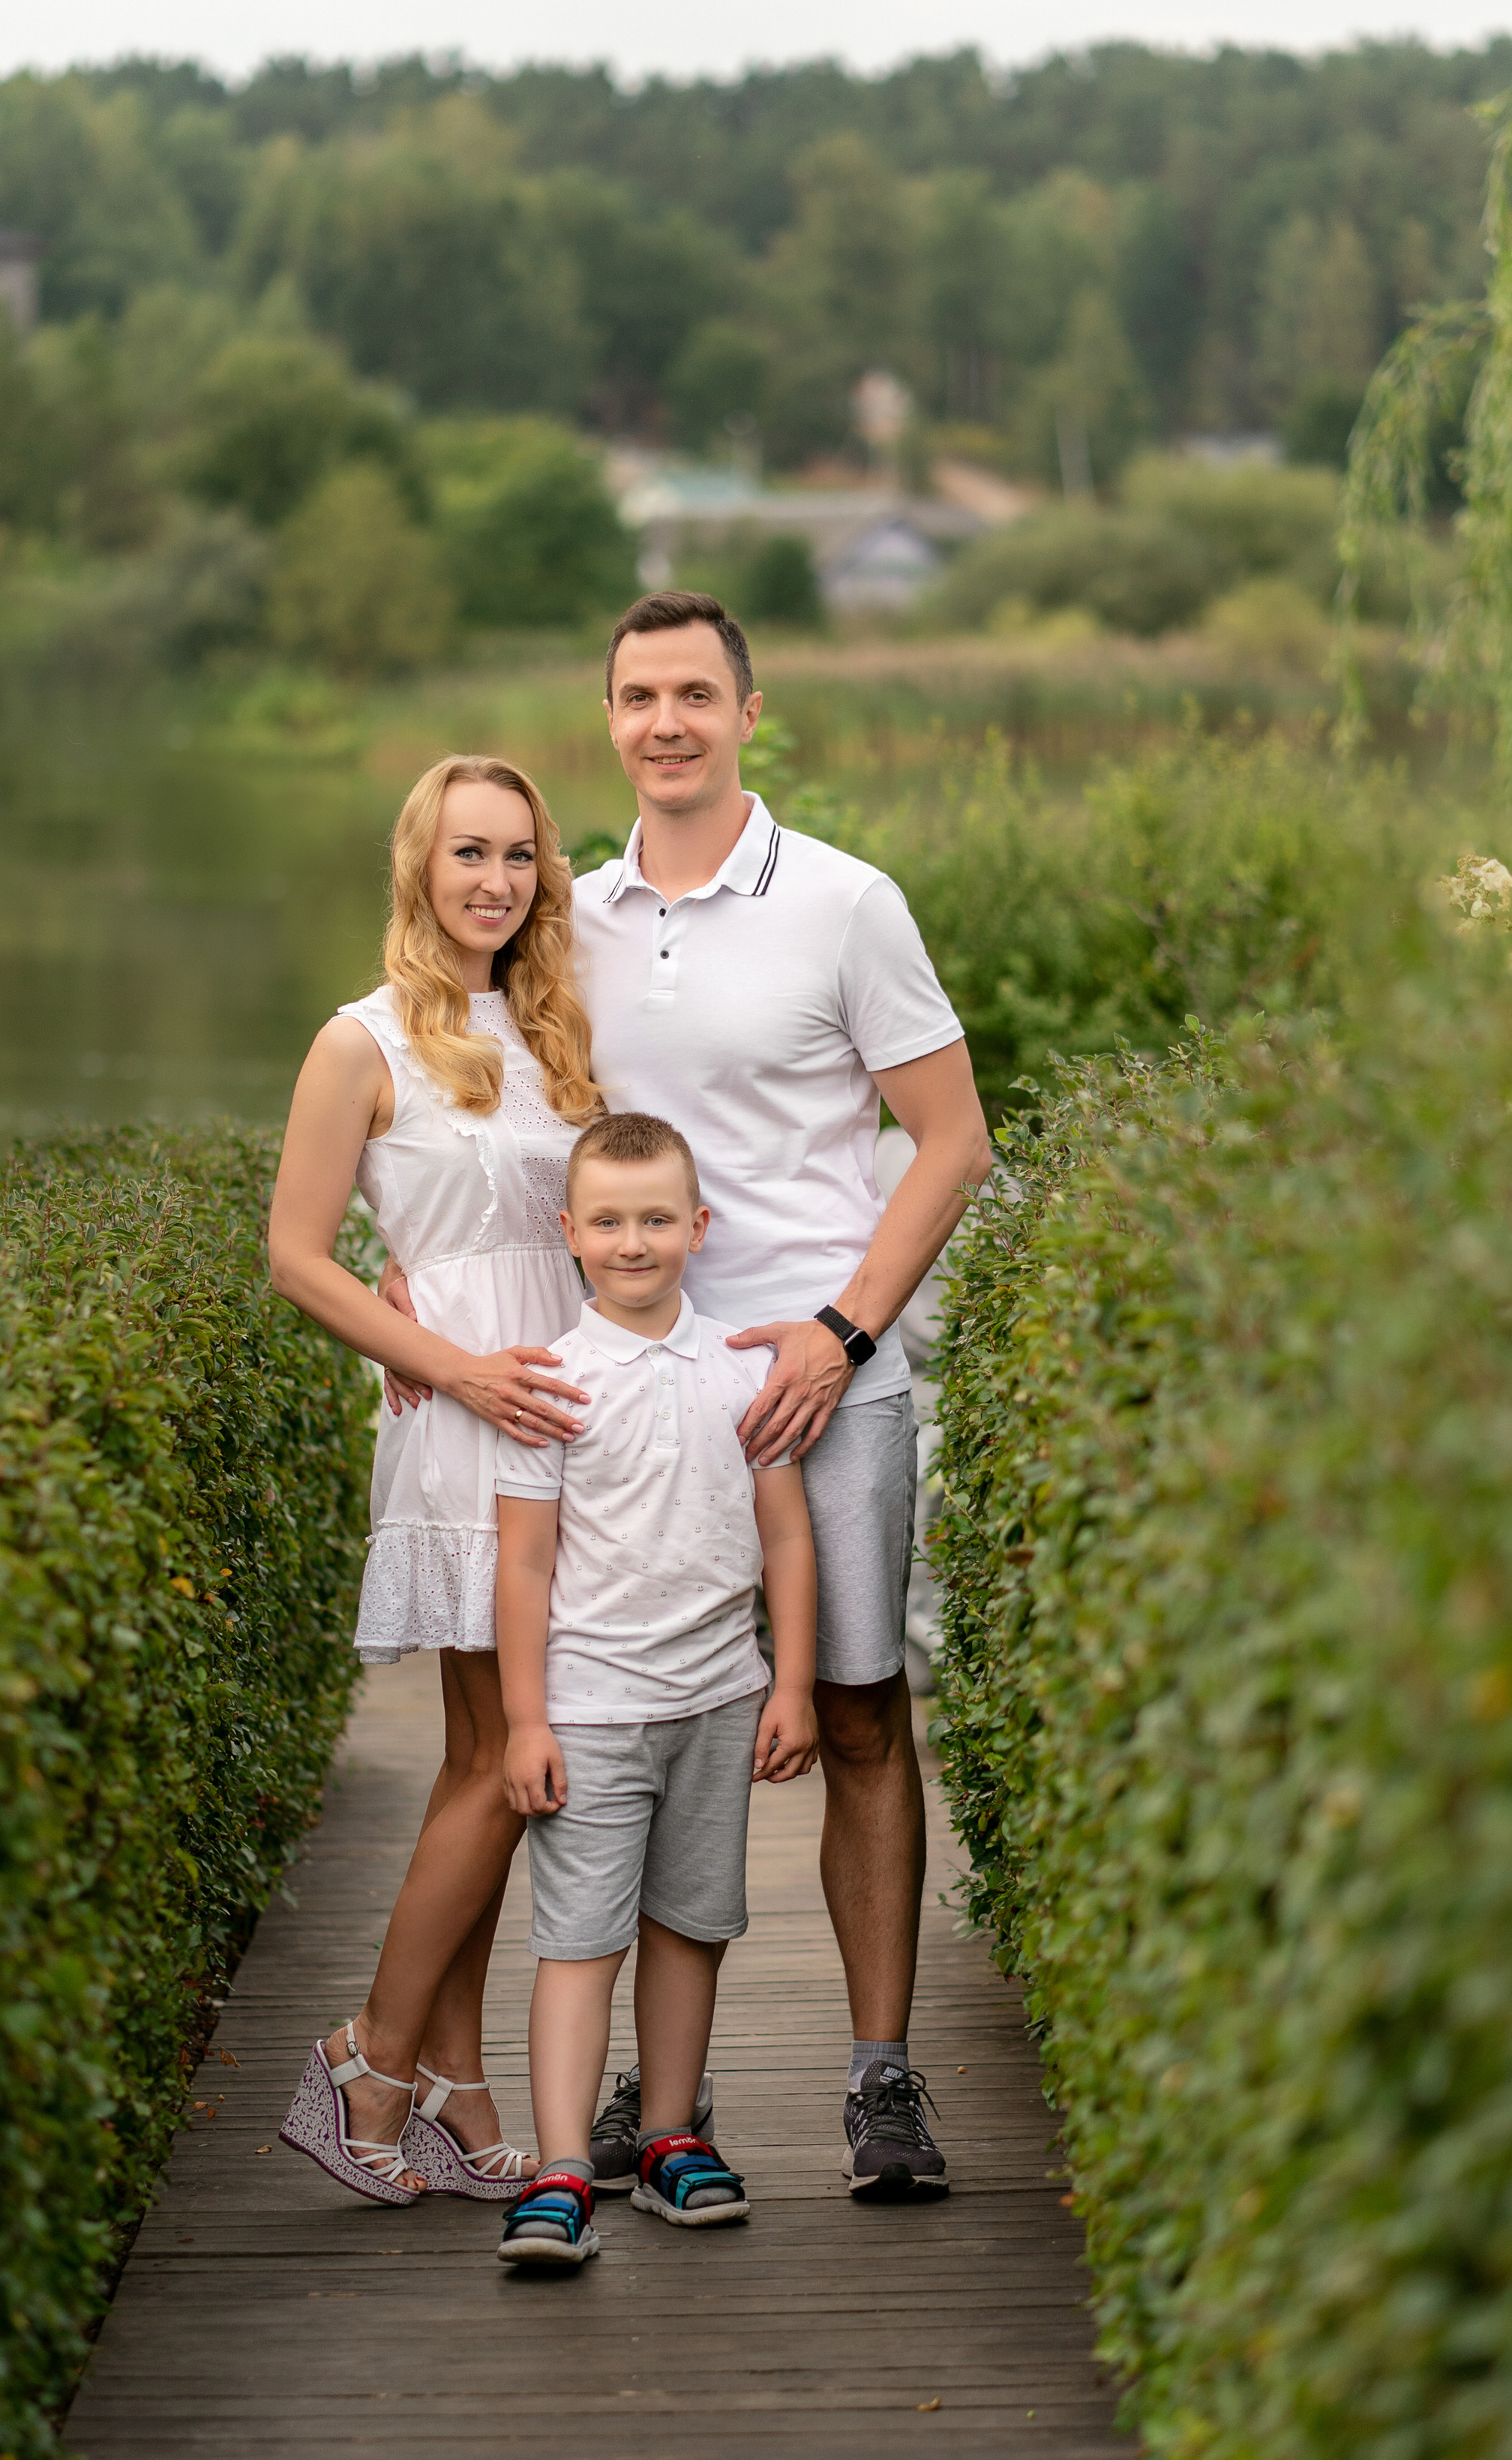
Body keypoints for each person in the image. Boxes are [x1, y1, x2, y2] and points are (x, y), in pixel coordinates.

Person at [578, 592, 992, 2203]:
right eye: (636, 696)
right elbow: (471, 1115)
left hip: (825, 1375)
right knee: (646, 1726)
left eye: (694, 693)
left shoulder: (845, 904)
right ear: (606, 719)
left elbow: (949, 1141)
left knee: (862, 1716)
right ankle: (648, 2085)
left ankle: (878, 2081)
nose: (664, 721)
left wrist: (840, 1331)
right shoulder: (567, 911)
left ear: (752, 712)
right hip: (634, 1396)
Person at [268, 755, 604, 2205]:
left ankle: (457, 2086)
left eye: (519, 856)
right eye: (469, 853)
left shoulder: (556, 1029)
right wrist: (435, 1352)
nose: (495, 882)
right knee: (493, 1761)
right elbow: (294, 1254)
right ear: (421, 866)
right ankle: (372, 2055)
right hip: (470, 1415)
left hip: (567, 1407)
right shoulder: (362, 1041)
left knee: (498, 1765)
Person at [488, 1110, 818, 2267]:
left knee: (690, 1926)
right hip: (590, 1706)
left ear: (698, 1226)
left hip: (721, 1698)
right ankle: (564, 2167)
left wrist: (795, 1685)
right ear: (569, 1232)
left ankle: (672, 2140)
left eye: (659, 1220)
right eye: (611, 1222)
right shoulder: (552, 1382)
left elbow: (785, 1539)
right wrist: (526, 1718)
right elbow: (522, 1563)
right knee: (580, 1942)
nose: (635, 1243)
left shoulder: (743, 1369)